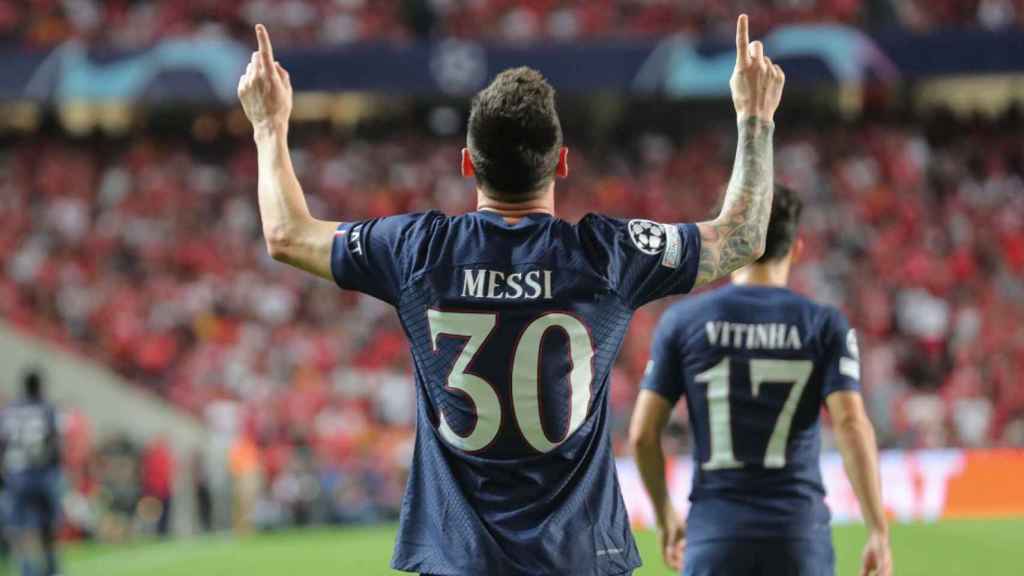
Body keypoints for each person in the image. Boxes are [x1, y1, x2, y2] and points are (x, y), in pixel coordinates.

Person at [237, 14, 784, 575]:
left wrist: (268, 126)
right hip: (579, 556)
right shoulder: (607, 256)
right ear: (562, 163)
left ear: (468, 163)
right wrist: (754, 118)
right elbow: (742, 236)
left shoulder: (418, 251)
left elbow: (286, 234)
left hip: (459, 559)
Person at [629, 186, 892, 576]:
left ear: (730, 241)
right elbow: (851, 424)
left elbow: (642, 436)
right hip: (798, 537)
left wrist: (666, 516)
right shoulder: (823, 324)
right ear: (797, 249)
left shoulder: (683, 322)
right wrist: (877, 530)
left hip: (714, 537)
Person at [1, 370, 63, 576]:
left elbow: (3, 442)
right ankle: (51, 568)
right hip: (42, 474)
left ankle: (27, 569)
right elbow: (54, 442)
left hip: (17, 476)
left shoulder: (10, 410)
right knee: (47, 525)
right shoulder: (46, 408)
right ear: (39, 386)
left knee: (21, 526)